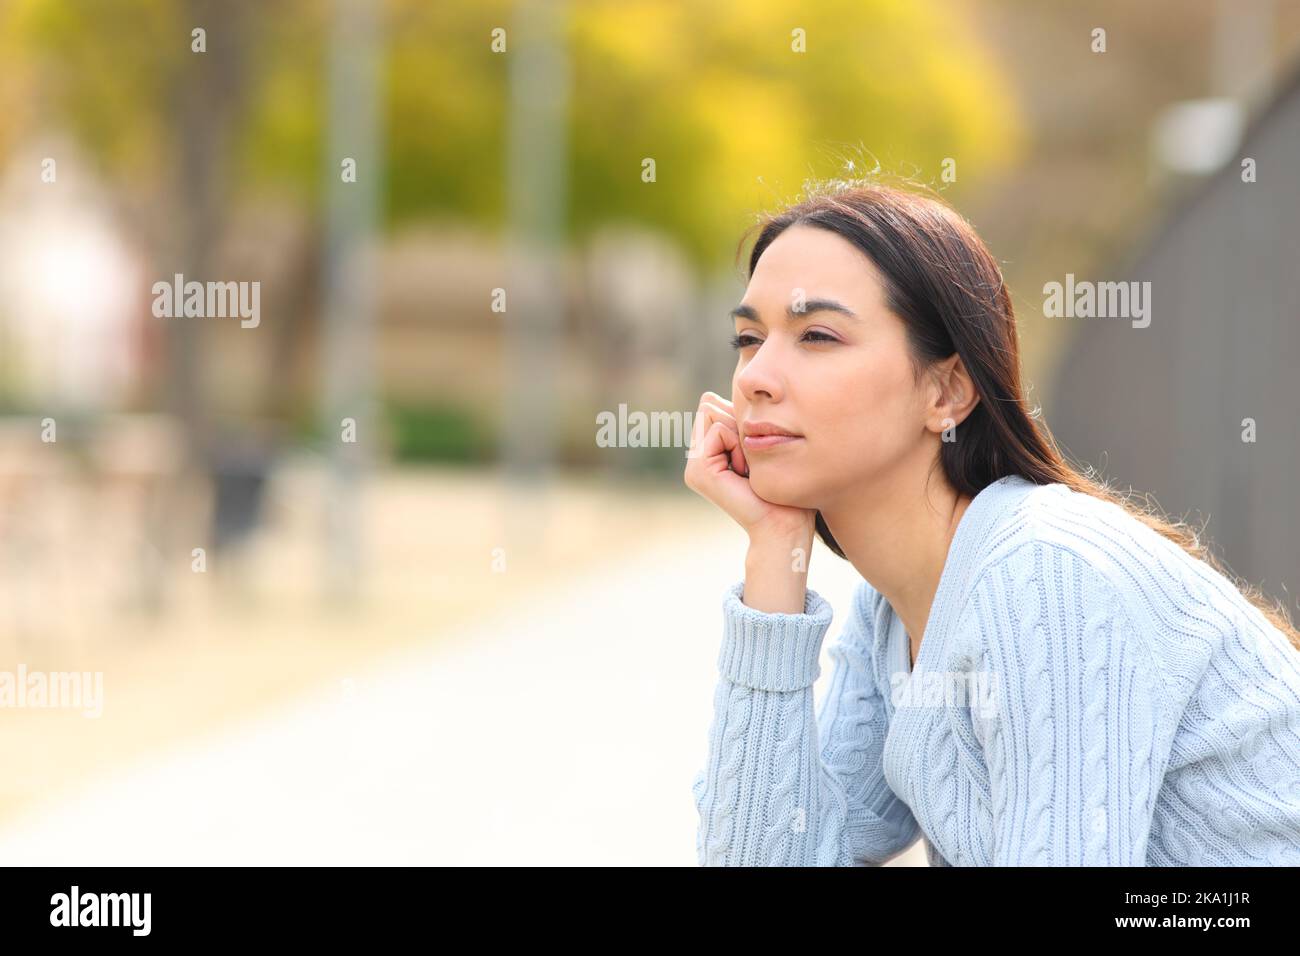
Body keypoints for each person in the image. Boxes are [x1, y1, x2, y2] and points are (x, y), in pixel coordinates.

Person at [684, 182, 1300, 866]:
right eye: (748, 338)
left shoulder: (1047, 576)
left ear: (947, 391)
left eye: (818, 336)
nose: (756, 377)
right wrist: (775, 551)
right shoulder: (891, 612)